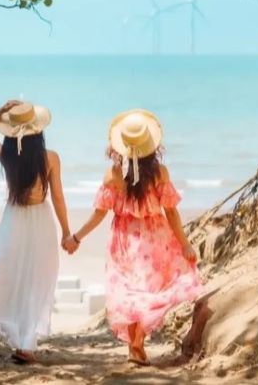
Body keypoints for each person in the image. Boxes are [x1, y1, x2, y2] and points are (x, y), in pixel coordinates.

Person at [63, 109, 212, 365]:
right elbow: (172, 213)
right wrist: (185, 245)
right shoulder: (160, 173)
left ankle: (135, 346)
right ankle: (137, 344)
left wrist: (76, 237)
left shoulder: (113, 175)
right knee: (150, 291)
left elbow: (99, 214)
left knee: (130, 292)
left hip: (123, 238)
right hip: (156, 238)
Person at [0, 100, 72, 364]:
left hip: (13, 219)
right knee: (36, 280)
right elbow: (59, 198)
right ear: (38, 131)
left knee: (12, 275)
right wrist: (66, 232)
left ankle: (22, 342)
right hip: (40, 221)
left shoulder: (8, 157)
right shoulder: (50, 158)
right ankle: (26, 344)